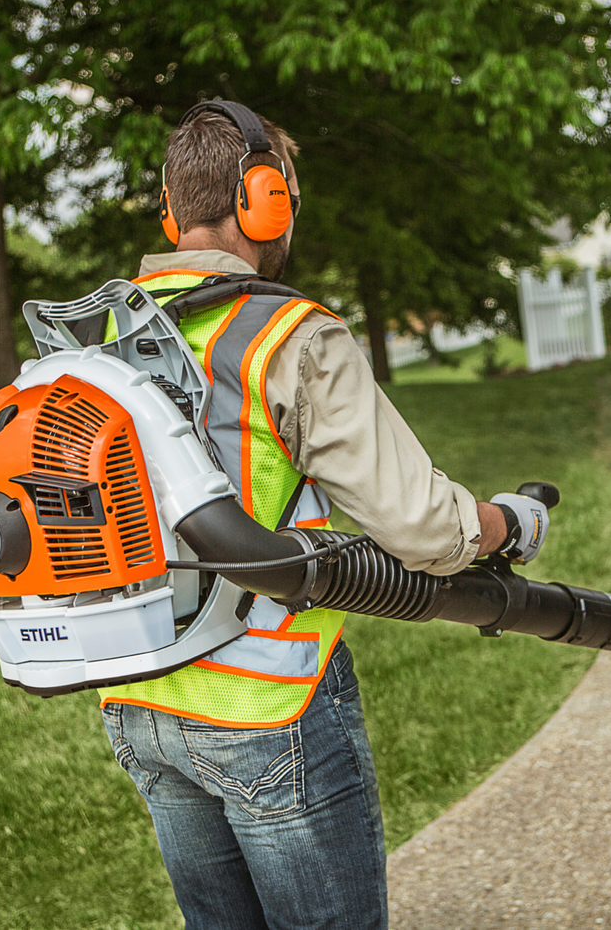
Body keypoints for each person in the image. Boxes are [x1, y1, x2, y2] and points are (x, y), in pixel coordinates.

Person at [96, 100, 547, 930]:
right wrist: (506, 522)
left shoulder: (104, 336)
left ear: (171, 210)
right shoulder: (286, 334)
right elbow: (422, 530)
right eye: (287, 198)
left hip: (139, 703)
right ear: (262, 199)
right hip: (267, 708)